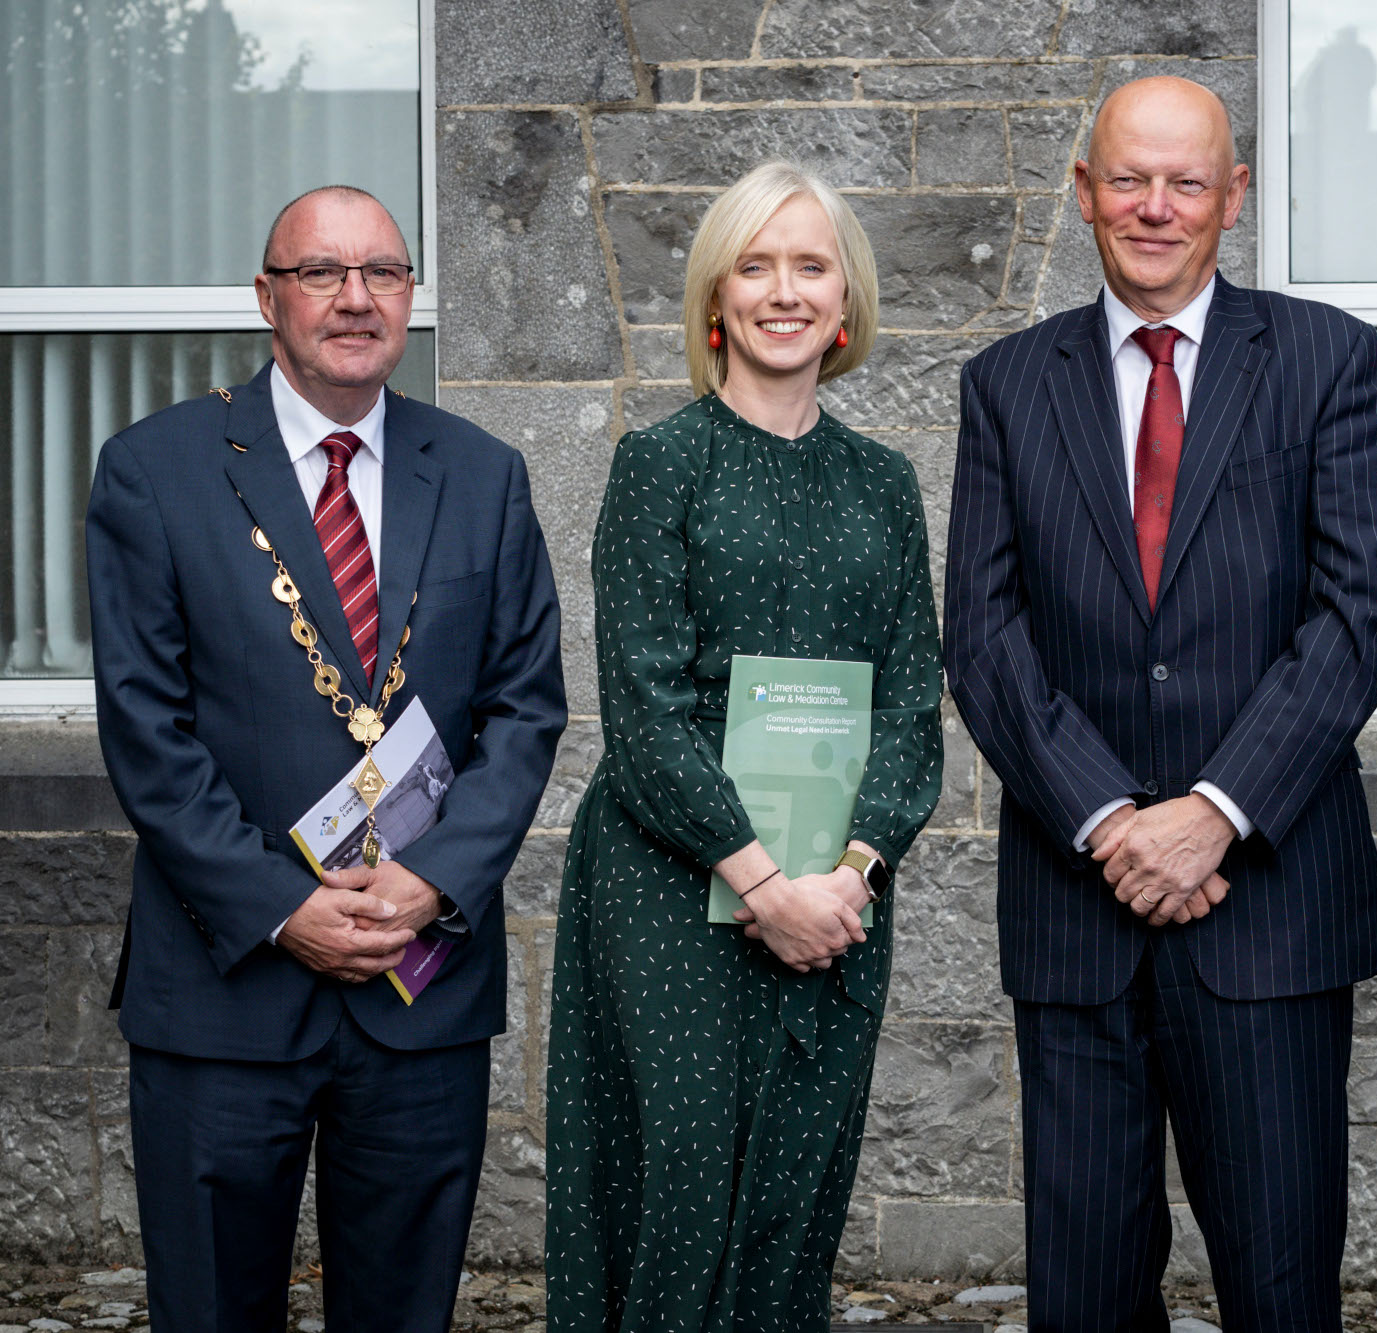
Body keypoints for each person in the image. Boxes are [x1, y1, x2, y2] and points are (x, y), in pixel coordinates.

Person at [944, 77, 1377, 1330]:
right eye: (1128, 180)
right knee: (1081, 1297)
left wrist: (1211, 811)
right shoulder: (1004, 383)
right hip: (1075, 910)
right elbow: (983, 639)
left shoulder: (1322, 357)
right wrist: (1106, 818)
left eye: (1185, 182)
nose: (1154, 208)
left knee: (1277, 1285)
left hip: (1269, 911)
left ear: (1233, 197)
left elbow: (1353, 618)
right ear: (1083, 191)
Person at [87, 185, 567, 1333]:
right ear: (267, 297)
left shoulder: (485, 475)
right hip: (224, 993)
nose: (356, 298)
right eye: (322, 273)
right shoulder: (157, 470)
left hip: (420, 986)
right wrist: (282, 905)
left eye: (383, 274)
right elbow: (146, 731)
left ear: (409, 298)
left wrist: (431, 880)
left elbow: (525, 713)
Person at [544, 161, 942, 1332]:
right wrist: (762, 884)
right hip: (672, 893)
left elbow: (914, 705)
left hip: (837, 904)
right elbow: (645, 707)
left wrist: (846, 878)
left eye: (809, 265)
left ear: (845, 301)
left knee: (790, 1202)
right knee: (670, 1204)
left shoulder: (884, 481)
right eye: (755, 265)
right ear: (714, 299)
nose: (784, 290)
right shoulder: (659, 462)